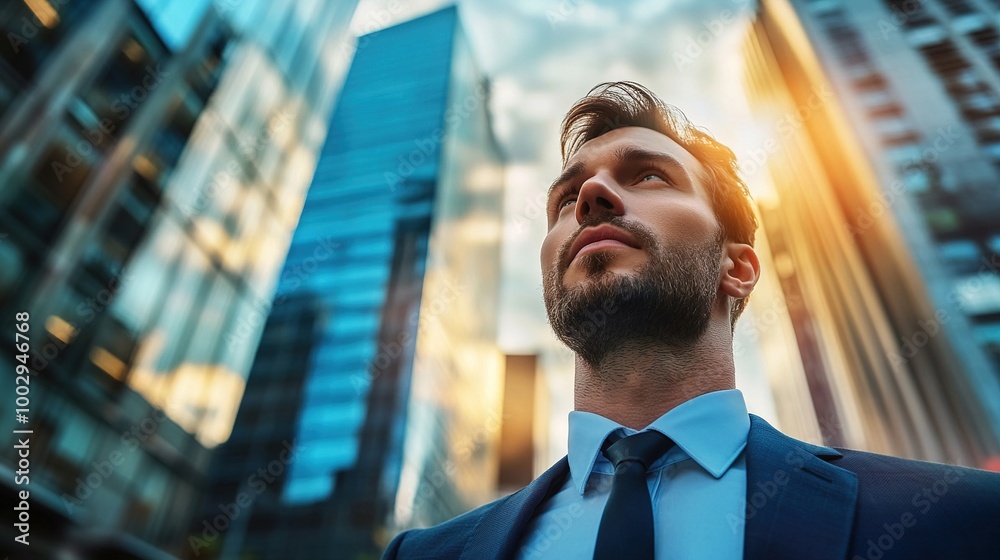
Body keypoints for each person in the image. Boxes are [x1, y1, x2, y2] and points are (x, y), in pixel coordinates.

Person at [381, 82, 1000, 560]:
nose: (592, 196)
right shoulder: (425, 554)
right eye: (566, 200)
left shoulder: (964, 519)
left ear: (737, 268)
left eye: (648, 175)